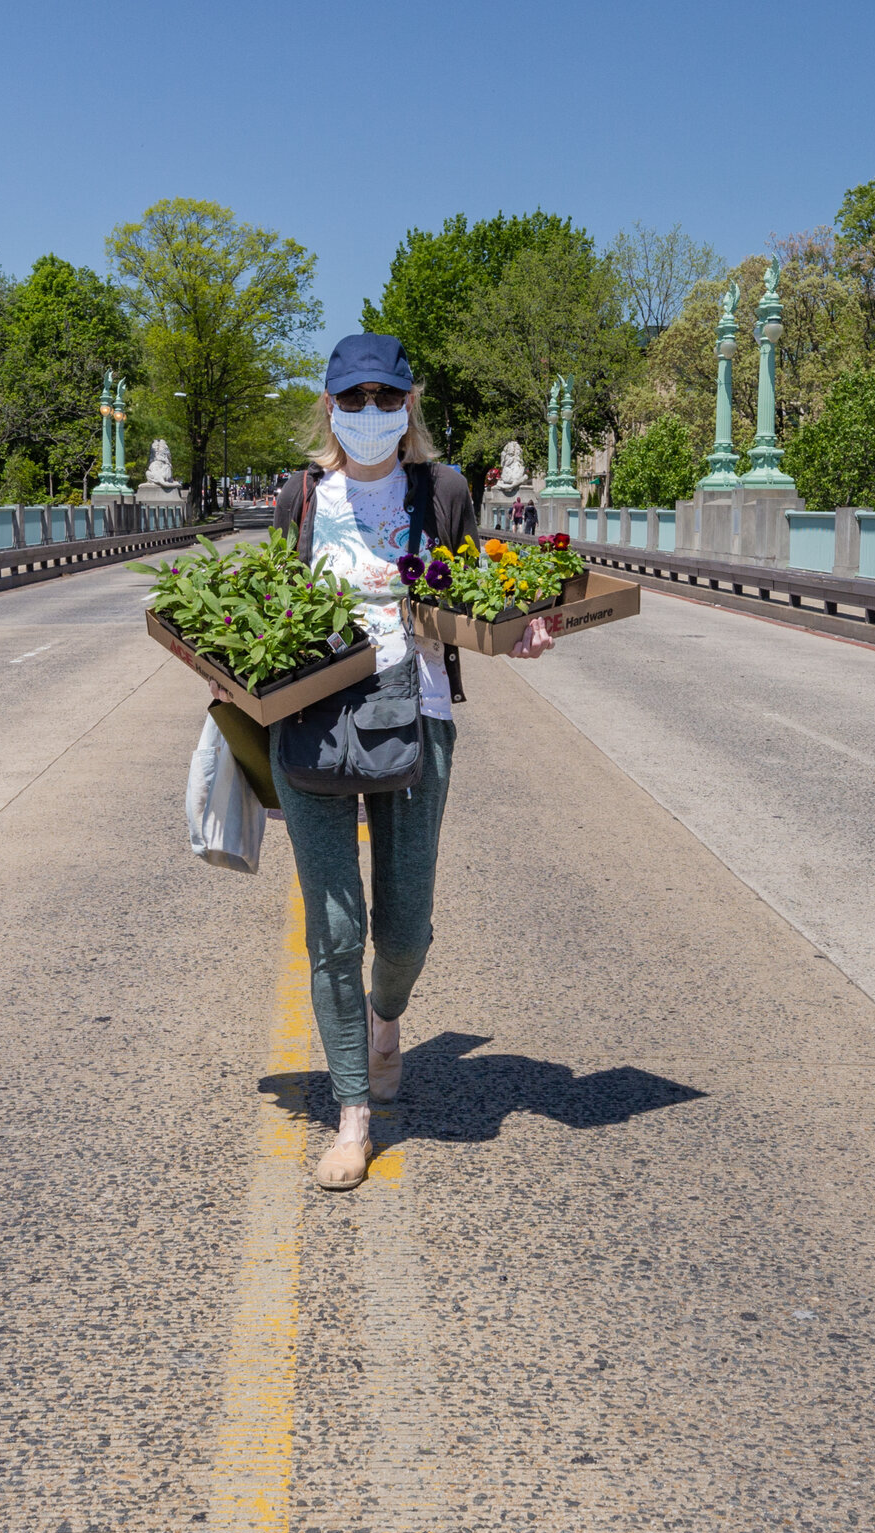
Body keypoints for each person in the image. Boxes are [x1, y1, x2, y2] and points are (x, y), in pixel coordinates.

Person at [268, 333, 554, 1190]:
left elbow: (485, 591)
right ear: (330, 407)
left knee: (401, 930)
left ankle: (386, 1015)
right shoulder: (300, 499)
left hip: (418, 717)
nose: (367, 415)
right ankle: (353, 1113)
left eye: (384, 399)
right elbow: (268, 609)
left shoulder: (445, 491)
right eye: (350, 400)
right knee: (335, 931)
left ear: (409, 404)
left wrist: (527, 620)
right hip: (316, 722)